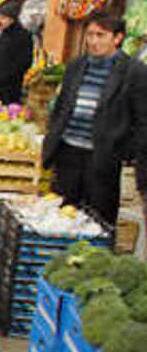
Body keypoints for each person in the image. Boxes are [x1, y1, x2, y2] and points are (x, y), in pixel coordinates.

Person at [43, 12, 147, 227]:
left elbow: (142, 120)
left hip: (101, 160)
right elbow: (61, 106)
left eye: (101, 35)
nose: (93, 41)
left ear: (117, 38)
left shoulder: (133, 71)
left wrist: (124, 150)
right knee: (59, 218)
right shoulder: (76, 66)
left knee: (97, 222)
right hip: (68, 154)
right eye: (90, 35)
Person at [0, 1, 33, 105]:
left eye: (3, 18)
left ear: (12, 19)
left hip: (7, 89)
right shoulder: (4, 33)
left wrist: (4, 76)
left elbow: (24, 62)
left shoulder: (22, 36)